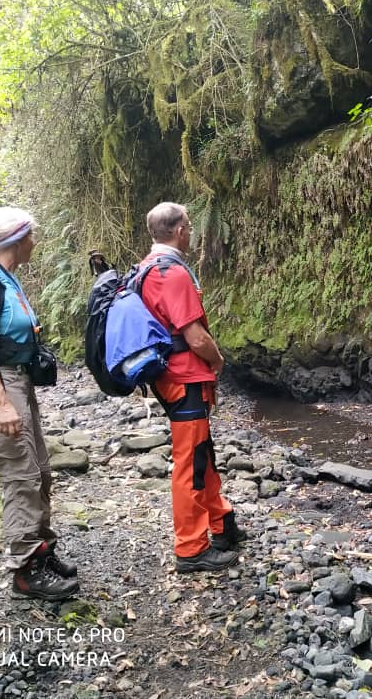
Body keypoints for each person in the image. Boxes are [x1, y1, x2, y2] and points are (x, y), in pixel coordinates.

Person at [0, 207, 79, 601]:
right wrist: (1, 404)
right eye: (31, 235)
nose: (35, 241)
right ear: (16, 239)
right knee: (20, 477)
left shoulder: (7, 279)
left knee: (41, 472)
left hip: (19, 381)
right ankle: (25, 571)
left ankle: (42, 553)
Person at [139, 202, 245, 573]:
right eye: (189, 226)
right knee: (192, 463)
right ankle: (190, 548)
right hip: (185, 376)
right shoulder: (172, 273)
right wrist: (216, 361)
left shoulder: (146, 268)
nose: (192, 232)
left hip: (170, 376)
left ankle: (221, 524)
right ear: (181, 230)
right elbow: (195, 335)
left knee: (202, 454)